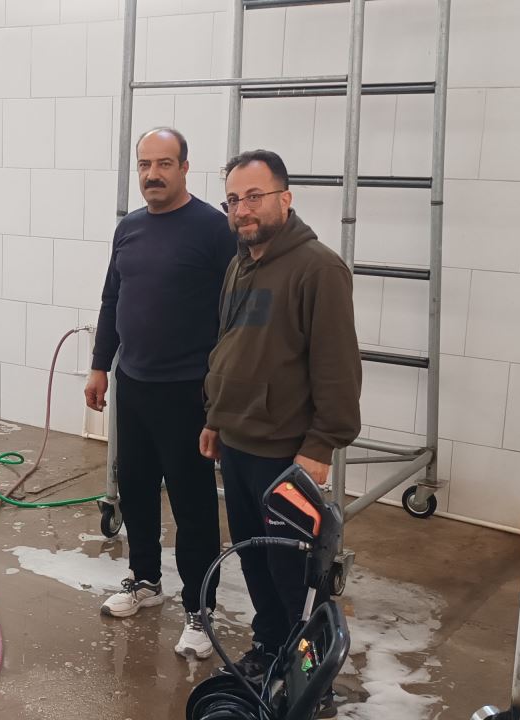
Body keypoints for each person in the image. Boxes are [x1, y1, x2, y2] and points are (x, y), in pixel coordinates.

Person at [199, 149, 362, 684]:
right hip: (239, 443)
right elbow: (230, 348)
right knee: (255, 560)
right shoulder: (239, 264)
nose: (242, 209)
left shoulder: (319, 269)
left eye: (254, 196)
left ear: (285, 199)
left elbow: (338, 367)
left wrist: (320, 445)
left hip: (286, 454)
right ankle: (270, 648)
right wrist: (216, 417)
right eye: (233, 200)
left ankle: (307, 676)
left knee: (295, 574)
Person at [87, 127, 236, 660]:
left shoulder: (214, 230)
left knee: (193, 504)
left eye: (164, 164)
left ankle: (199, 608)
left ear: (185, 168)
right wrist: (100, 366)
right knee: (136, 487)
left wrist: (221, 392)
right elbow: (112, 299)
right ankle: (145, 579)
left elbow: (234, 314)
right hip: (135, 383)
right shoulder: (128, 228)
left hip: (189, 390)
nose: (153, 174)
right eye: (145, 164)